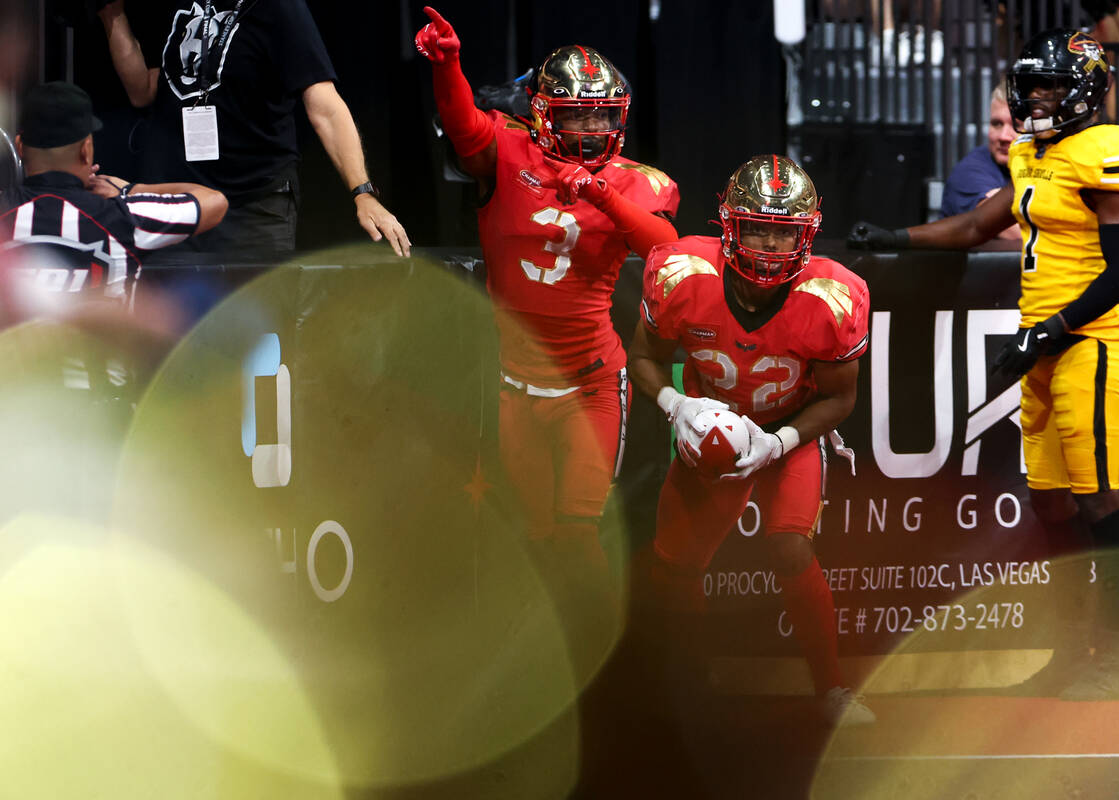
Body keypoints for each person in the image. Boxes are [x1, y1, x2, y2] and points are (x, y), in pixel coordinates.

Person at [848, 29, 1119, 701]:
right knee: (1049, 503)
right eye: (1032, 86)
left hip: (1090, 342)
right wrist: (896, 238)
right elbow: (978, 225)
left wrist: (1046, 332)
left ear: (1085, 91)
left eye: (1050, 87)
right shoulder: (1028, 154)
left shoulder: (1111, 151)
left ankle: (1114, 655)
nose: (1038, 98)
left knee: (1100, 497)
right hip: (1041, 343)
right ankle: (1072, 648)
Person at [414, 6, 679, 661]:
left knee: (576, 531)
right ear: (541, 113)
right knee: (532, 534)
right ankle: (541, 664)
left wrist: (598, 193)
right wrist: (448, 65)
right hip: (512, 384)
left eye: (601, 116)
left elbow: (667, 250)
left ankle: (600, 659)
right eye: (575, 115)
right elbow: (464, 126)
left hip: (590, 380)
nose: (591, 128)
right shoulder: (509, 149)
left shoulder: (634, 181)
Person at [628, 154, 874, 726]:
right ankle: (690, 679)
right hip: (706, 425)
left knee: (789, 544)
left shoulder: (834, 296)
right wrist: (678, 404)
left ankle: (830, 689)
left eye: (782, 231)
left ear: (806, 233)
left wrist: (778, 442)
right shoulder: (683, 271)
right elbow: (643, 357)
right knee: (675, 562)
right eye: (756, 227)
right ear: (728, 224)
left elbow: (839, 399)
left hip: (789, 427)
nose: (767, 244)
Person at [97, 0, 409, 256]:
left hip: (252, 204)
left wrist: (362, 192)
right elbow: (144, 90)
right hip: (180, 200)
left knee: (254, 326)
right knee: (174, 327)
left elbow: (325, 106)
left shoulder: (278, 7)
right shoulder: (178, 5)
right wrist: (114, 14)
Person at [0, 82, 226, 315]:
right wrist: (129, 189)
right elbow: (214, 201)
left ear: (19, 147)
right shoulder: (124, 216)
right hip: (102, 351)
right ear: (85, 150)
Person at [940, 83, 1020, 240]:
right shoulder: (970, 172)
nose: (1003, 136)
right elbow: (1015, 231)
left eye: (1016, 125)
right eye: (996, 124)